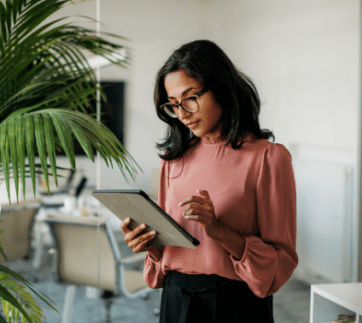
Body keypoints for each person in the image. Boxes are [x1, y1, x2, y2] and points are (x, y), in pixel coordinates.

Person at [120, 40, 298, 322]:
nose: (182, 113)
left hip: (235, 305)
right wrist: (150, 246)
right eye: (173, 104)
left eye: (191, 98)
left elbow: (281, 262)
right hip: (175, 298)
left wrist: (218, 229)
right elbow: (171, 252)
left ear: (221, 88)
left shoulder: (268, 158)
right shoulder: (173, 159)